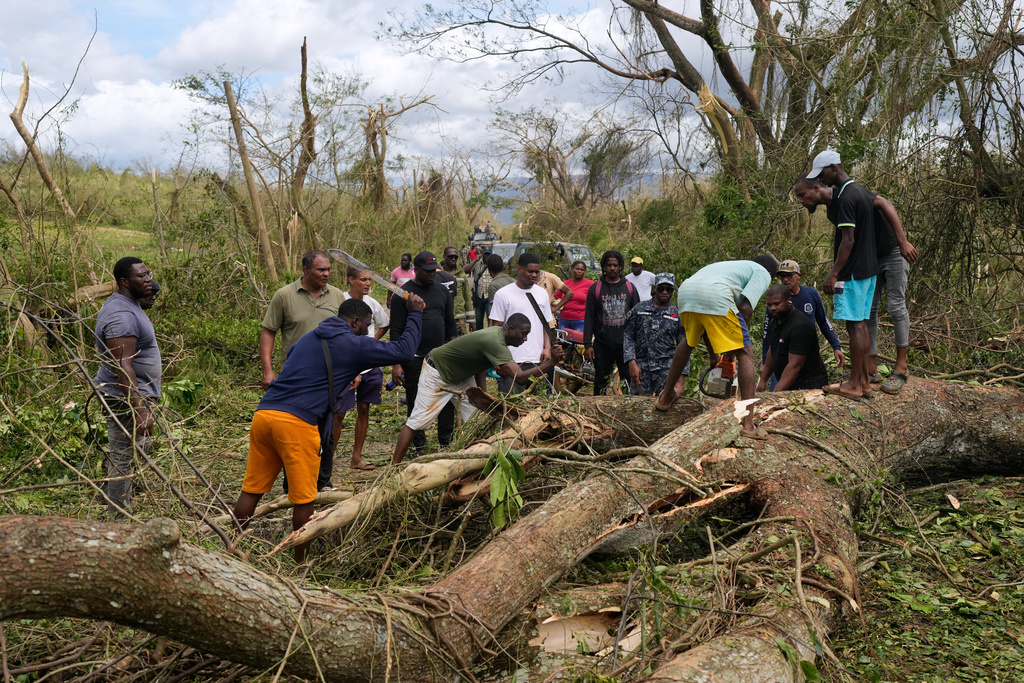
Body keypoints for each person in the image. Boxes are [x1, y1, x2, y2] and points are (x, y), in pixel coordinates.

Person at [233, 295, 425, 562]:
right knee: (304, 499)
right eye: (367, 326)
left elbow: (297, 362)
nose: (368, 332)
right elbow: (404, 351)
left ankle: (232, 548)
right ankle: (301, 565)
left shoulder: (308, 338)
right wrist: (415, 314)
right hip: (295, 424)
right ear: (355, 322)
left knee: (251, 490)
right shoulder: (352, 344)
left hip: (265, 414)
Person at [392, 314, 565, 463]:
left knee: (477, 419)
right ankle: (393, 468)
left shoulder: (498, 336)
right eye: (523, 334)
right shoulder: (494, 341)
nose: (525, 339)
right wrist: (551, 362)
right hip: (437, 372)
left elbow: (481, 364)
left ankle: (473, 459)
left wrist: (482, 396)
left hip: (460, 375)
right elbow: (519, 378)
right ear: (511, 329)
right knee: (418, 422)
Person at [656, 256, 777, 438]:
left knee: (688, 341)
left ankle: (665, 398)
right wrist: (734, 349)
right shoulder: (762, 272)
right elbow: (745, 309)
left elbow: (708, 324)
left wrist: (715, 354)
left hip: (687, 292)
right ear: (770, 273)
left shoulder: (730, 268)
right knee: (746, 353)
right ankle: (748, 424)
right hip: (714, 294)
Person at [796, 153, 882, 398]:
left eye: (822, 174)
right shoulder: (860, 192)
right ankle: (863, 382)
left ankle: (854, 384)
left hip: (852, 272)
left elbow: (848, 240)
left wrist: (833, 274)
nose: (821, 179)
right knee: (861, 324)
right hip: (868, 270)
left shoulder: (845, 198)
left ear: (833, 169)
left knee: (854, 326)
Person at [94, 257, 162, 518]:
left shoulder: (129, 305)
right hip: (125, 398)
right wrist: (140, 408)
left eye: (148, 274)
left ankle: (111, 495)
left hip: (133, 396)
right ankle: (119, 519)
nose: (148, 280)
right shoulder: (120, 315)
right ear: (124, 281)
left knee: (130, 451)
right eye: (141, 277)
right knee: (123, 456)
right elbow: (123, 366)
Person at [390, 252, 458, 455]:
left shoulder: (442, 291)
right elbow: (396, 329)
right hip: (414, 357)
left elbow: (450, 323)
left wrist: (455, 350)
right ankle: (419, 445)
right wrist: (396, 363)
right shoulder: (403, 294)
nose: (431, 274)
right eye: (427, 271)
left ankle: (445, 444)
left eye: (434, 271)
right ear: (415, 270)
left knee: (447, 398)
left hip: (440, 357)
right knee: (415, 399)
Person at [329, 267, 391, 473]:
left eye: (369, 280)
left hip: (369, 366)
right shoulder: (340, 301)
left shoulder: (372, 304)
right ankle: (328, 459)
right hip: (346, 365)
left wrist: (372, 343)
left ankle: (356, 457)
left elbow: (384, 324)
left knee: (364, 409)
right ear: (351, 280)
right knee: (339, 413)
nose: (367, 284)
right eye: (363, 279)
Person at [259, 250, 345, 392]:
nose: (327, 274)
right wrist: (267, 371)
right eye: (321, 270)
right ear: (306, 270)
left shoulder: (337, 295)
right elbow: (268, 332)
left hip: (330, 373)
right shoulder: (284, 295)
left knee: (331, 413)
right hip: (294, 373)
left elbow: (345, 334)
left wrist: (352, 369)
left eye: (329, 269)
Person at [760, 259, 844, 390]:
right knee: (777, 393)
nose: (786, 279)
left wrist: (836, 346)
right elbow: (768, 334)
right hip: (781, 356)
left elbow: (823, 321)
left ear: (798, 276)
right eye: (782, 276)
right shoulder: (775, 302)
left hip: (803, 353)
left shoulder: (810, 294)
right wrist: (765, 362)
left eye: (789, 275)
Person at [489, 253, 556, 394]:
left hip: (538, 360)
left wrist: (547, 348)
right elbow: (495, 329)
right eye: (530, 271)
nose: (534, 275)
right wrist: (497, 359)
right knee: (513, 407)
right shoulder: (503, 294)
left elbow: (546, 325)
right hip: (511, 360)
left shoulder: (542, 294)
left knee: (539, 405)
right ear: (519, 269)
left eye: (537, 272)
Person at [584, 250, 640, 395]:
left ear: (620, 267)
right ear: (604, 267)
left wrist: (638, 343)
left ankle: (628, 411)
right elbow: (589, 317)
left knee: (628, 380)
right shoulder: (595, 289)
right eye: (609, 265)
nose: (612, 268)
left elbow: (637, 318)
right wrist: (588, 345)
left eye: (615, 265)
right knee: (601, 381)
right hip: (602, 344)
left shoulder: (629, 288)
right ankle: (597, 410)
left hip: (625, 346)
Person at [623, 273, 688, 396]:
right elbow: (628, 335)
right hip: (641, 368)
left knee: (664, 408)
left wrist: (681, 377)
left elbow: (684, 345)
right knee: (636, 407)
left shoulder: (677, 314)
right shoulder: (639, 309)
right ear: (655, 289)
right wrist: (631, 362)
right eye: (661, 288)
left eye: (668, 289)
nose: (664, 292)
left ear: (673, 290)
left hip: (666, 370)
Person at [756, 284, 830, 392]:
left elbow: (795, 365)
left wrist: (775, 395)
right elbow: (773, 350)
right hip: (790, 384)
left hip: (809, 386)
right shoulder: (774, 322)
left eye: (777, 304)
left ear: (789, 301)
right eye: (769, 305)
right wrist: (763, 381)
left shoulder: (800, 326)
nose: (772, 308)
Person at [442, 246, 475, 334]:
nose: (453, 259)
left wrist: (471, 321)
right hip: (442, 318)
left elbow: (467, 298)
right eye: (450, 256)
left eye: (455, 257)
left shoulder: (461, 275)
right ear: (444, 257)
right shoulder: (437, 274)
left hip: (459, 320)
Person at [556, 260, 593, 333]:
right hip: (564, 318)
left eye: (582, 270)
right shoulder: (566, 284)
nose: (579, 271)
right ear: (572, 269)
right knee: (564, 342)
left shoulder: (590, 284)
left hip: (580, 320)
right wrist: (554, 305)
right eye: (577, 269)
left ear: (584, 272)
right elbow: (556, 297)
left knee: (578, 343)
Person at [466, 248, 493, 330]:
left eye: (488, 255)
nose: (486, 256)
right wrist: (474, 260)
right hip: (479, 296)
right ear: (482, 254)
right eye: (485, 254)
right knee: (478, 319)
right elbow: (466, 271)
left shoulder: (493, 265)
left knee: (490, 318)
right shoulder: (477, 264)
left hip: (489, 297)